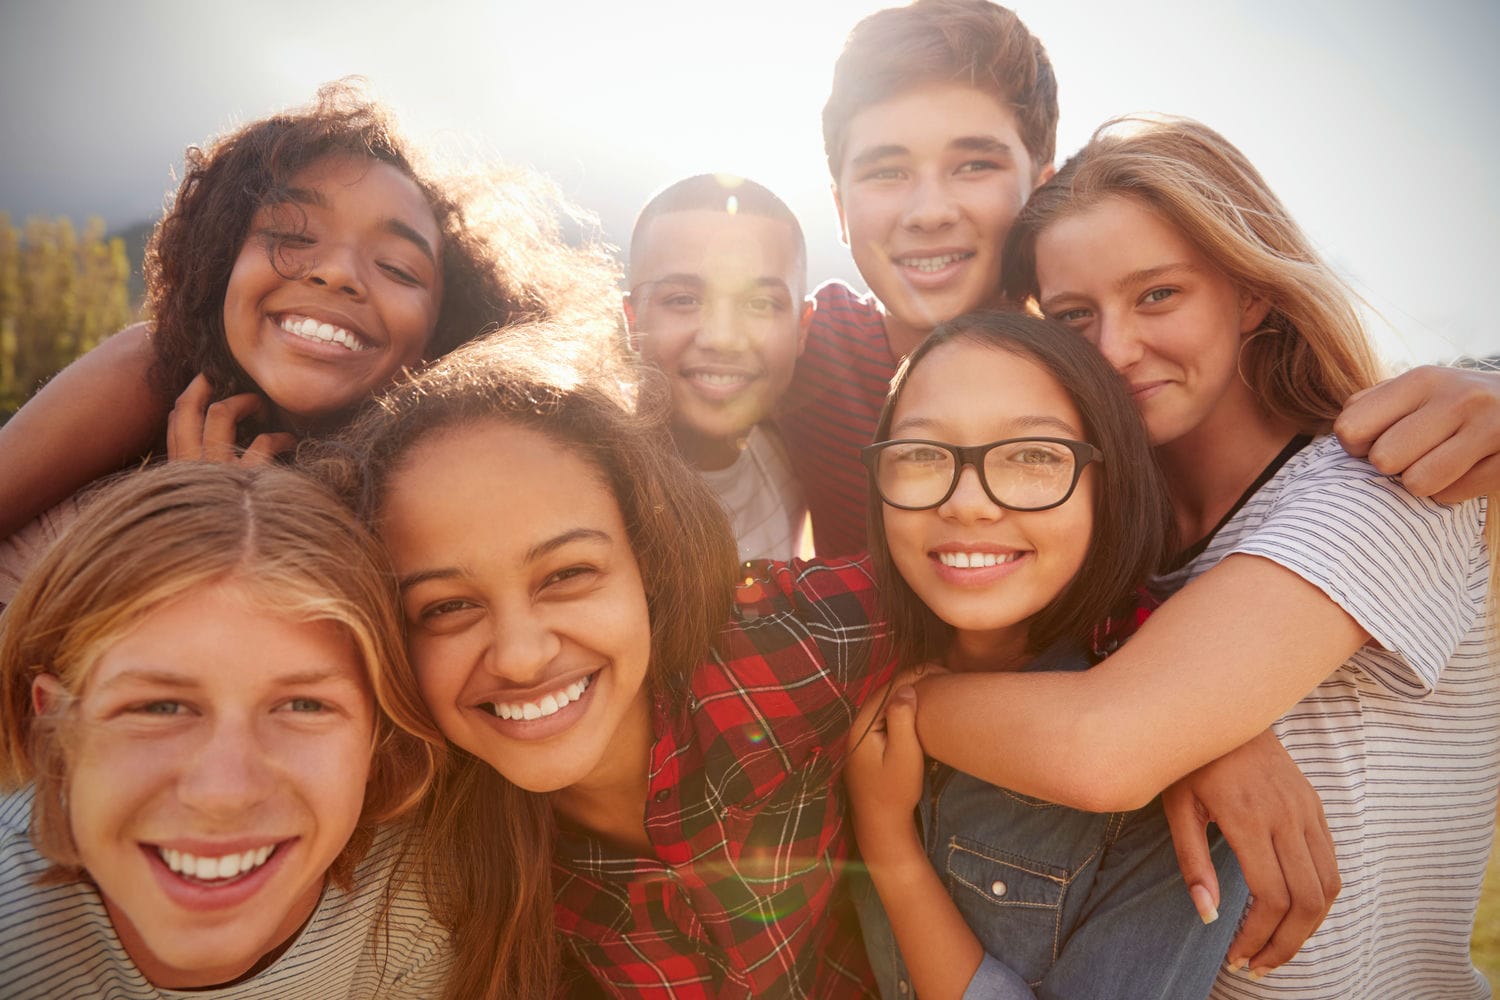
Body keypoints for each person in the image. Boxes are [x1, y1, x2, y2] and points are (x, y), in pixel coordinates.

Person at [868, 114, 1500, 999]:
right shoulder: (1112, 538)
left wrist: (906, 710)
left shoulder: (1377, 487)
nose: (1115, 349)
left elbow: (1105, 746)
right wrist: (1195, 728)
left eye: (1158, 295)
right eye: (1074, 315)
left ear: (1252, 292)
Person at [779, 0, 1500, 558]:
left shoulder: (1106, 380)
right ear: (840, 208)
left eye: (975, 164)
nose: (929, 211)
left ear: (1041, 189)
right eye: (886, 171)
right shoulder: (801, 354)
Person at [304, 325, 894, 999]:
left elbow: (1006, 614)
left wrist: (950, 716)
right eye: (444, 608)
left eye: (568, 573)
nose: (522, 658)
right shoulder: (433, 851)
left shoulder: (785, 644)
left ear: (649, 556)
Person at [0, 79, 618, 601]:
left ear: (442, 337)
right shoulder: (148, 370)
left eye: (400, 268)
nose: (339, 273)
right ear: (222, 263)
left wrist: (218, 529)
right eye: (293, 234)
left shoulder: (438, 502)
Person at [846, 310, 1246, 999]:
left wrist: (888, 845)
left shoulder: (1173, 766)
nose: (967, 504)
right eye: (919, 455)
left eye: (1033, 455)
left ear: (1107, 482)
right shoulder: (839, 676)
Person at [0, 462, 447, 998]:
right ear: (54, 730)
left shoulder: (412, 905)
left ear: (377, 738)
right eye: (159, 708)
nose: (224, 793)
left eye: (303, 705)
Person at [625, 173, 813, 561]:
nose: (722, 337)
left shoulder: (794, 453)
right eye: (682, 300)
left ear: (802, 328)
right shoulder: (586, 488)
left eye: (759, 303)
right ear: (631, 321)